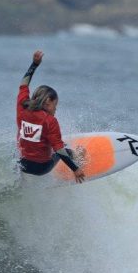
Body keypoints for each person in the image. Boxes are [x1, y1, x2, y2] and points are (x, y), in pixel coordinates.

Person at [16, 50, 86, 183]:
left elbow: (23, 84)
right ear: (48, 103)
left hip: (22, 164)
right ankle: (79, 158)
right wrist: (75, 169)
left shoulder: (22, 105)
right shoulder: (49, 121)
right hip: (41, 168)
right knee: (65, 149)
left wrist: (34, 64)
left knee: (19, 149)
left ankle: (20, 179)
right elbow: (58, 150)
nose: (56, 108)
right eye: (55, 104)